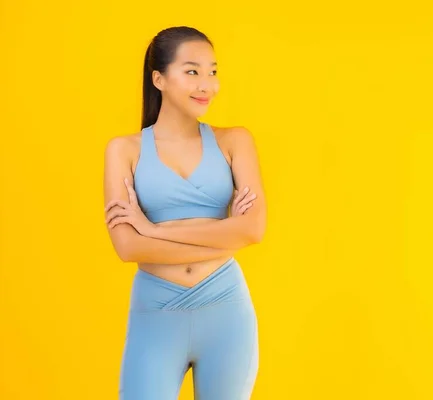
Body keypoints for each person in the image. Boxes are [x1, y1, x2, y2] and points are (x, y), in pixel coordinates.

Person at [103, 26, 267, 400]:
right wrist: (226, 234)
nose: (207, 84)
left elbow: (254, 230)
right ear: (158, 78)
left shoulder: (234, 141)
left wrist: (154, 230)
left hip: (226, 310)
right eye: (192, 71)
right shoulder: (123, 150)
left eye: (212, 71)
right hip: (155, 313)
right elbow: (128, 248)